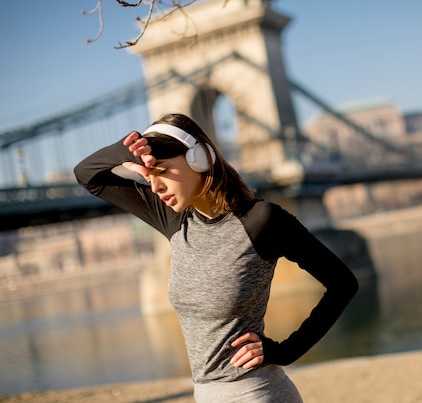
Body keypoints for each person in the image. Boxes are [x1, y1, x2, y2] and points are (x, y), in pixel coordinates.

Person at [74, 113, 359, 402]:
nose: (155, 187)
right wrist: (127, 150)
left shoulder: (261, 221)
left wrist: (285, 351)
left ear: (199, 158)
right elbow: (88, 176)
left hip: (256, 393)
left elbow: (343, 283)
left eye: (161, 171)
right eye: (149, 177)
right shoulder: (173, 219)